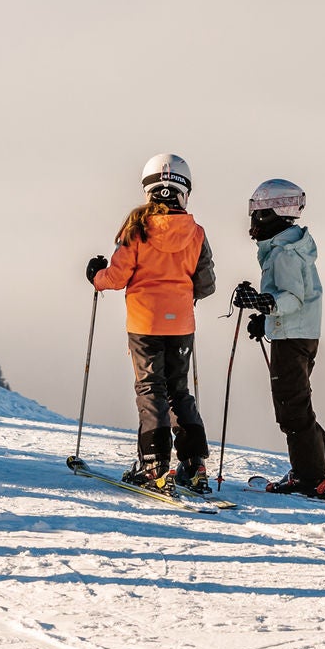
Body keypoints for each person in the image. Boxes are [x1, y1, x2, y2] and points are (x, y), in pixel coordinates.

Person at [87, 153, 216, 492]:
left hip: (145, 323)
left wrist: (95, 276)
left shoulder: (137, 229)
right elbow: (206, 284)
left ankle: (155, 466)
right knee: (179, 391)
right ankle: (194, 464)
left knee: (151, 390)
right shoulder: (196, 233)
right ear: (183, 191)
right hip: (181, 325)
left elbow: (115, 277)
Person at [230, 179, 325, 499]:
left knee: (291, 411)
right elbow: (290, 300)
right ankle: (323, 475)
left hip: (293, 338)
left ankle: (309, 478)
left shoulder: (285, 253)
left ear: (271, 214)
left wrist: (264, 304)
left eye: (257, 212)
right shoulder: (288, 247)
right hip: (298, 334)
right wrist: (265, 322)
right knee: (300, 407)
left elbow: (292, 298)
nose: (252, 220)